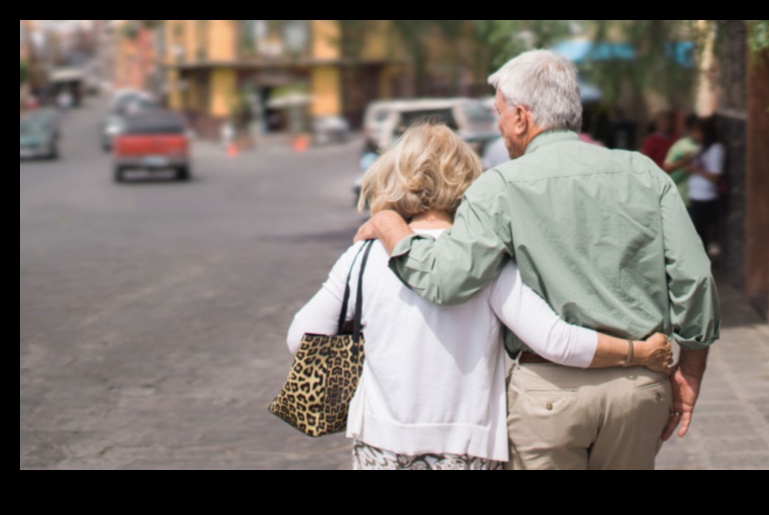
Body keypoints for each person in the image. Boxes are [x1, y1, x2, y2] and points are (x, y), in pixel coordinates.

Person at [355, 51, 721, 471]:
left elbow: (446, 280)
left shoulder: (499, 188)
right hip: (637, 391)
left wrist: (388, 225)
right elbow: (694, 278)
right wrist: (690, 370)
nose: (498, 125)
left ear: (520, 117)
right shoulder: (644, 172)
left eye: (498, 112)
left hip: (547, 393)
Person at [289, 123, 674, 471]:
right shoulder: (486, 262)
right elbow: (555, 340)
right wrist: (637, 353)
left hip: (381, 442)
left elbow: (301, 339)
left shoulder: (362, 256)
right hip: (467, 447)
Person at [686, 117, 725, 252]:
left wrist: (697, 170)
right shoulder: (701, 148)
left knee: (701, 232)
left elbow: (715, 176)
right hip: (695, 195)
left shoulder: (716, 149)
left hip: (706, 197)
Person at [662, 114, 701, 206]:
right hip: (681, 197)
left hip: (699, 198)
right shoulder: (680, 146)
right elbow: (666, 168)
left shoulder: (706, 147)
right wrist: (683, 162)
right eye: (695, 129)